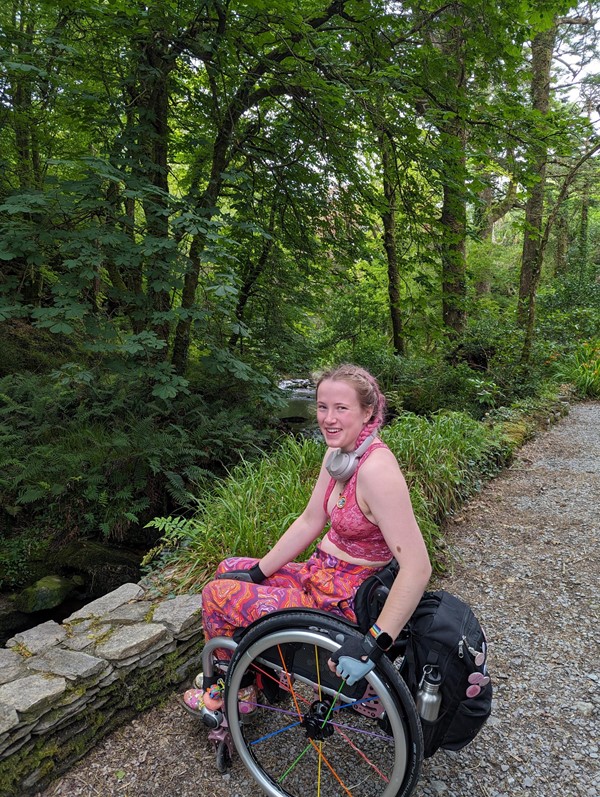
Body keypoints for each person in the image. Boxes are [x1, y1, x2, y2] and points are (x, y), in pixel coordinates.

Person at [181, 363, 432, 718]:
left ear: (368, 412)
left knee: (215, 595)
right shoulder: (340, 457)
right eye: (322, 407)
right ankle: (267, 677)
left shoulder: (377, 471)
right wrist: (258, 572)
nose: (328, 418)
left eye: (341, 408)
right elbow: (311, 520)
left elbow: (418, 568)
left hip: (343, 598)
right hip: (321, 575)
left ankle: (231, 692)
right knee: (229, 569)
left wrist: (373, 644)